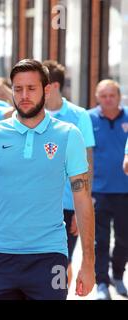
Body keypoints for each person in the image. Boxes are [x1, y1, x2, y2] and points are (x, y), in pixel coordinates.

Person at [0, 59, 95, 300]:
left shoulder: (68, 135)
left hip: (49, 256)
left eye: (31, 88)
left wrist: (88, 263)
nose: (24, 95)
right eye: (18, 88)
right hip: (0, 255)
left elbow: (82, 198)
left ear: (47, 90)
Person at [43, 60, 95, 287]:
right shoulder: (30, 114)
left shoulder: (79, 116)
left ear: (53, 86)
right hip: (38, 204)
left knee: (60, 264)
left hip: (67, 203)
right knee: (41, 264)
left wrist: (79, 208)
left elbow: (87, 163)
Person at [89, 79, 128, 299]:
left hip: (125, 190)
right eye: (103, 96)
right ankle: (101, 282)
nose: (107, 100)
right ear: (97, 97)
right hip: (98, 191)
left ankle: (118, 275)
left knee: (124, 238)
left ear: (119, 96)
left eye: (111, 95)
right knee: (100, 240)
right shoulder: (89, 118)